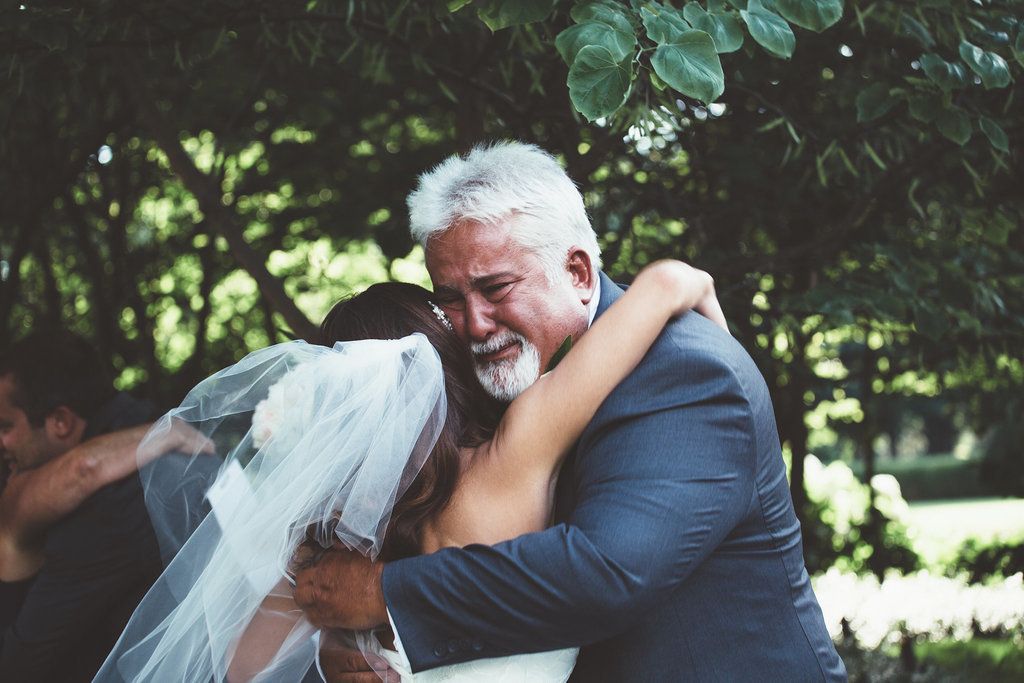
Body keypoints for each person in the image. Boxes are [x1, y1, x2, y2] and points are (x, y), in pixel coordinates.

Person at [293, 142, 847, 681]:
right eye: (452, 300)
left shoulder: (685, 371)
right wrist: (354, 642)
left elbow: (610, 573)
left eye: (496, 288)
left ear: (578, 273)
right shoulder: (483, 381)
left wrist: (383, 595)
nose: (476, 323)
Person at [93, 258, 719, 682]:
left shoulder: (337, 540)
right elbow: (666, 283)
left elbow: (242, 668)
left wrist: (331, 638)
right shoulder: (513, 459)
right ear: (449, 362)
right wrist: (716, 334)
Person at [0, 332, 202, 682]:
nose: (2, 442)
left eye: (5, 426)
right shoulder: (153, 423)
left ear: (60, 422)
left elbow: (18, 665)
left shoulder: (108, 507)